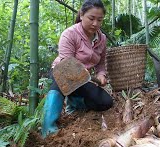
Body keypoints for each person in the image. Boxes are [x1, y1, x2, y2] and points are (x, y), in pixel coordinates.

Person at [42, 0, 113, 138]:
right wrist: (80, 73)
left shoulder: (102, 39)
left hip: (84, 78)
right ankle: (48, 127)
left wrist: (101, 74)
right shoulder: (69, 34)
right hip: (64, 70)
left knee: (106, 102)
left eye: (99, 20)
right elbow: (66, 64)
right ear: (81, 15)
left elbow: (100, 64)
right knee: (60, 80)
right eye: (91, 18)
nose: (95, 24)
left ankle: (73, 103)